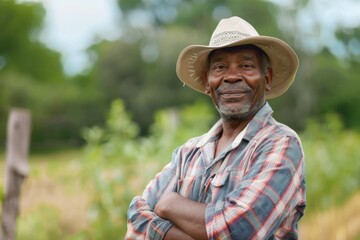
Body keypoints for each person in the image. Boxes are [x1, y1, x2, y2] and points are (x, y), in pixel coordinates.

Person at [125, 16, 306, 240]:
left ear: (266, 78)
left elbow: (239, 230)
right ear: (207, 81)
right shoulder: (188, 153)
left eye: (246, 66)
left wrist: (170, 204)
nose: (231, 77)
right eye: (220, 67)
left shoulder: (281, 144)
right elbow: (136, 220)